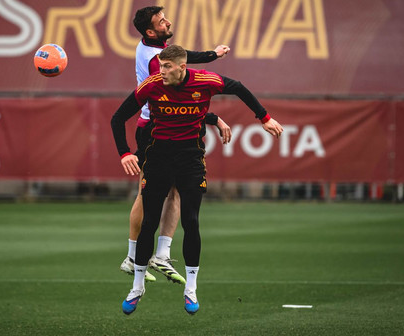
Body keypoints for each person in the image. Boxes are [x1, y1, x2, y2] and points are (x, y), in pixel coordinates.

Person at [111, 45, 283, 315]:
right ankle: (137, 287)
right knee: (149, 223)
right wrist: (124, 153)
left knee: (191, 221)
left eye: (167, 66)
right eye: (160, 65)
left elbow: (238, 87)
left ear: (182, 67)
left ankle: (190, 289)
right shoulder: (152, 85)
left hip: (190, 158)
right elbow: (118, 118)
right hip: (158, 158)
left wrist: (265, 118)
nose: (161, 71)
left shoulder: (205, 81)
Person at [120, 6, 232, 285]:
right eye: (161, 21)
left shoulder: (154, 47)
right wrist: (213, 118)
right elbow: (177, 98)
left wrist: (211, 55)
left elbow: (183, 56)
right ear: (150, 31)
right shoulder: (156, 62)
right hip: (155, 128)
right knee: (147, 195)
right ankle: (133, 256)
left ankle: (160, 253)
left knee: (176, 190)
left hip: (160, 124)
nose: (168, 22)